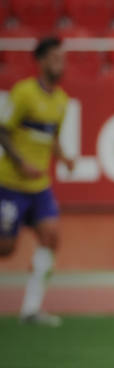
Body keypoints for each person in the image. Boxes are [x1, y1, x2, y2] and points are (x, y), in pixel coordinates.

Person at [0, 37, 73, 326]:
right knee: (6, 248)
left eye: (62, 58)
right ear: (41, 61)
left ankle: (31, 308)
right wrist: (20, 162)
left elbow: (51, 136)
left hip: (39, 187)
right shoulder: (23, 93)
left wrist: (64, 157)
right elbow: (3, 131)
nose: (60, 64)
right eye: (54, 58)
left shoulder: (61, 101)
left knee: (51, 237)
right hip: (10, 185)